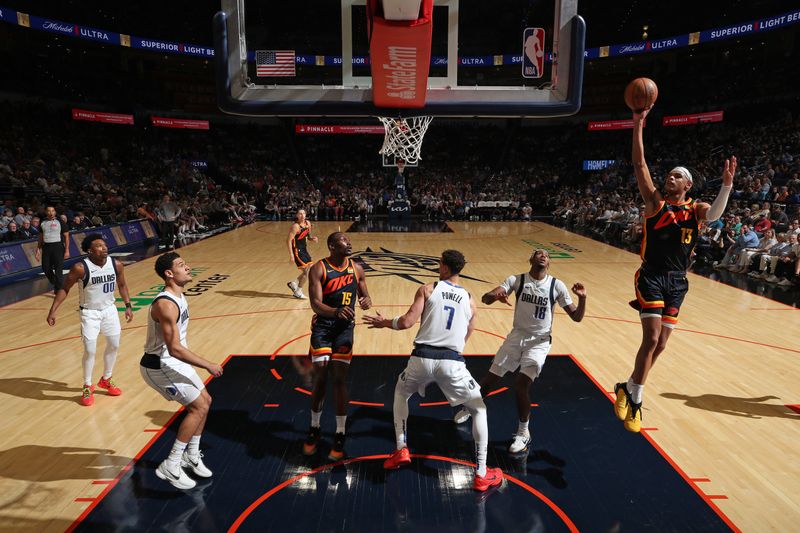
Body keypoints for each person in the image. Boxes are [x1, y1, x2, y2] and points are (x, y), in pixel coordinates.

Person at [615, 106, 736, 432]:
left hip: (678, 282)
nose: (670, 177)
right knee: (652, 338)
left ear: (688, 184)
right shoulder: (655, 203)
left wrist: (726, 186)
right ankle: (637, 400)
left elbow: (714, 218)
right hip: (651, 275)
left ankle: (628, 385)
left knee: (663, 344)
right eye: (669, 174)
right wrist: (638, 123)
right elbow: (640, 164)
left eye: (677, 175)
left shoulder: (698, 209)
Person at [364, 249, 504, 492]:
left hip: (421, 358)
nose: (438, 266)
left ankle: (400, 448)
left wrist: (384, 322)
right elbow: (466, 334)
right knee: (478, 409)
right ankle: (481, 473)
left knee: (401, 393)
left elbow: (407, 322)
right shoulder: (470, 299)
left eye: (440, 263)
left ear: (445, 268)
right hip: (451, 360)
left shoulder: (428, 289)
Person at [454, 249, 587, 453]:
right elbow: (485, 298)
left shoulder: (556, 285)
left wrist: (583, 298)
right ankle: (470, 407)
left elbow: (577, 317)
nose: (543, 255)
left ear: (549, 263)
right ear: (531, 259)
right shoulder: (517, 280)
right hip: (517, 336)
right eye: (538, 253)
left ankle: (523, 432)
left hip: (539, 342)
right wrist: (494, 295)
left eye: (546, 255)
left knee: (521, 385)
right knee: (491, 379)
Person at [139, 252, 223, 490]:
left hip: (172, 362)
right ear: (169, 273)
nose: (188, 267)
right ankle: (171, 464)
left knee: (205, 400)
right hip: (159, 365)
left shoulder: (178, 295)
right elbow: (174, 349)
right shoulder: (166, 304)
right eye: (181, 265)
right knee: (198, 408)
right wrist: (207, 364)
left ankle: (192, 455)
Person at [302, 232, 371, 461]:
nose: (349, 242)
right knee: (321, 379)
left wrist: (365, 300)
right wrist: (335, 311)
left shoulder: (357, 268)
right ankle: (314, 427)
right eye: (344, 240)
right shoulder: (319, 269)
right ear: (332, 246)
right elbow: (315, 304)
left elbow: (364, 292)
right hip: (323, 327)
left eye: (349, 240)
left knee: (340, 379)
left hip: (344, 330)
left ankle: (340, 431)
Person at [46, 235, 134, 406]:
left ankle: (106, 379)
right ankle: (87, 385)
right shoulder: (80, 268)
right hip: (89, 313)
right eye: (99, 246)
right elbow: (65, 288)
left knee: (114, 345)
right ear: (89, 250)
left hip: (110, 310)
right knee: (90, 350)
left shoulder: (116, 265)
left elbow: (122, 285)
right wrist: (53, 310)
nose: (104, 248)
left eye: (104, 244)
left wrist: (128, 305)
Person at [35, 206, 70, 292]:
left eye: (52, 211)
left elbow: (66, 236)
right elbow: (40, 237)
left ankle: (58, 290)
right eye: (49, 211)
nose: (51, 213)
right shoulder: (42, 222)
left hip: (58, 247)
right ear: (46, 212)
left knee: (58, 269)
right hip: (46, 247)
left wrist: (67, 250)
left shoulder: (60, 221)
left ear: (55, 212)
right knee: (45, 268)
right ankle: (56, 282)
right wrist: (38, 249)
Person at [287, 209, 318, 299]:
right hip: (297, 251)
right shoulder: (295, 226)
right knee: (306, 272)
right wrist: (291, 255)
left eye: (304, 213)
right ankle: (298, 291)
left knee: (310, 269)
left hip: (304, 249)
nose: (302, 215)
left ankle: (294, 283)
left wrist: (312, 239)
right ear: (297, 215)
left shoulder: (308, 223)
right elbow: (288, 241)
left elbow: (308, 236)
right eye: (300, 213)